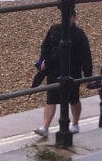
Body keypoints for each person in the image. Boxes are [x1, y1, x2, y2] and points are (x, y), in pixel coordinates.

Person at [34, 9, 93, 137]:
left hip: (73, 71)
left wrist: (88, 75)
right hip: (53, 70)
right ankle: (45, 127)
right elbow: (45, 46)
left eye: (69, 17)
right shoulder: (54, 29)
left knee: (73, 99)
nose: (66, 19)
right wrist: (43, 60)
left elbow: (86, 55)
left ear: (74, 18)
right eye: (64, 16)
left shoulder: (79, 34)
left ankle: (75, 123)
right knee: (51, 99)